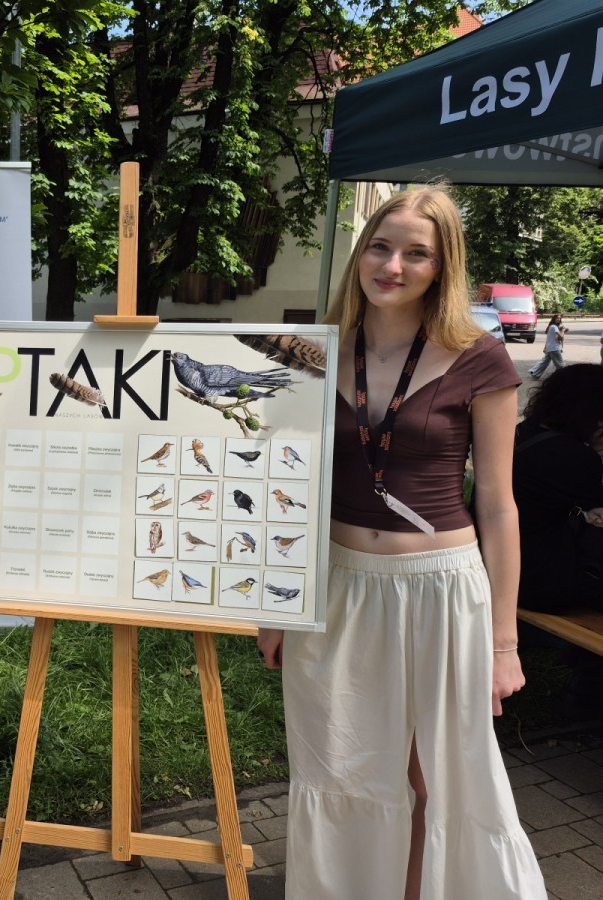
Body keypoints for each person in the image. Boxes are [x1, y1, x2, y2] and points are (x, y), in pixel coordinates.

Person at [256, 187, 546, 899]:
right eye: (381, 248)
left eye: (417, 253)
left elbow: (498, 506)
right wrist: (276, 604)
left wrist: (504, 643)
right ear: (361, 253)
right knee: (338, 765)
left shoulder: (480, 359)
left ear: (442, 267)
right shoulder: (313, 354)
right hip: (337, 587)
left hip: (440, 590)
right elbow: (287, 488)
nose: (392, 266)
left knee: (431, 776)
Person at [513, 363, 603, 613]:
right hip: (540, 583)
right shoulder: (575, 458)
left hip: (501, 568)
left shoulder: (524, 432)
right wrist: (597, 451)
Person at [528, 313, 565, 379]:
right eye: (557, 318)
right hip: (554, 349)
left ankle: (534, 372)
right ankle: (564, 376)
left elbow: (550, 338)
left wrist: (545, 347)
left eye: (559, 318)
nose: (558, 319)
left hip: (550, 348)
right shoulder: (554, 327)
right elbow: (561, 337)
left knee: (544, 362)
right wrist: (563, 331)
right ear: (553, 319)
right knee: (560, 364)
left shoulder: (551, 327)